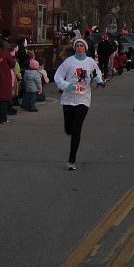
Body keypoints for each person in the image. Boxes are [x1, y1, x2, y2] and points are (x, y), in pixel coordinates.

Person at [53, 38, 103, 171]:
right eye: (77, 46)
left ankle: (71, 160)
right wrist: (67, 86)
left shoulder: (90, 62)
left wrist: (99, 80)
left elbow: (96, 73)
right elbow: (58, 77)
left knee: (77, 129)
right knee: (69, 129)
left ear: (85, 48)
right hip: (69, 99)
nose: (79, 48)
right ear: (75, 48)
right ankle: (69, 130)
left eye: (82, 46)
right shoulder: (68, 62)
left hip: (83, 99)